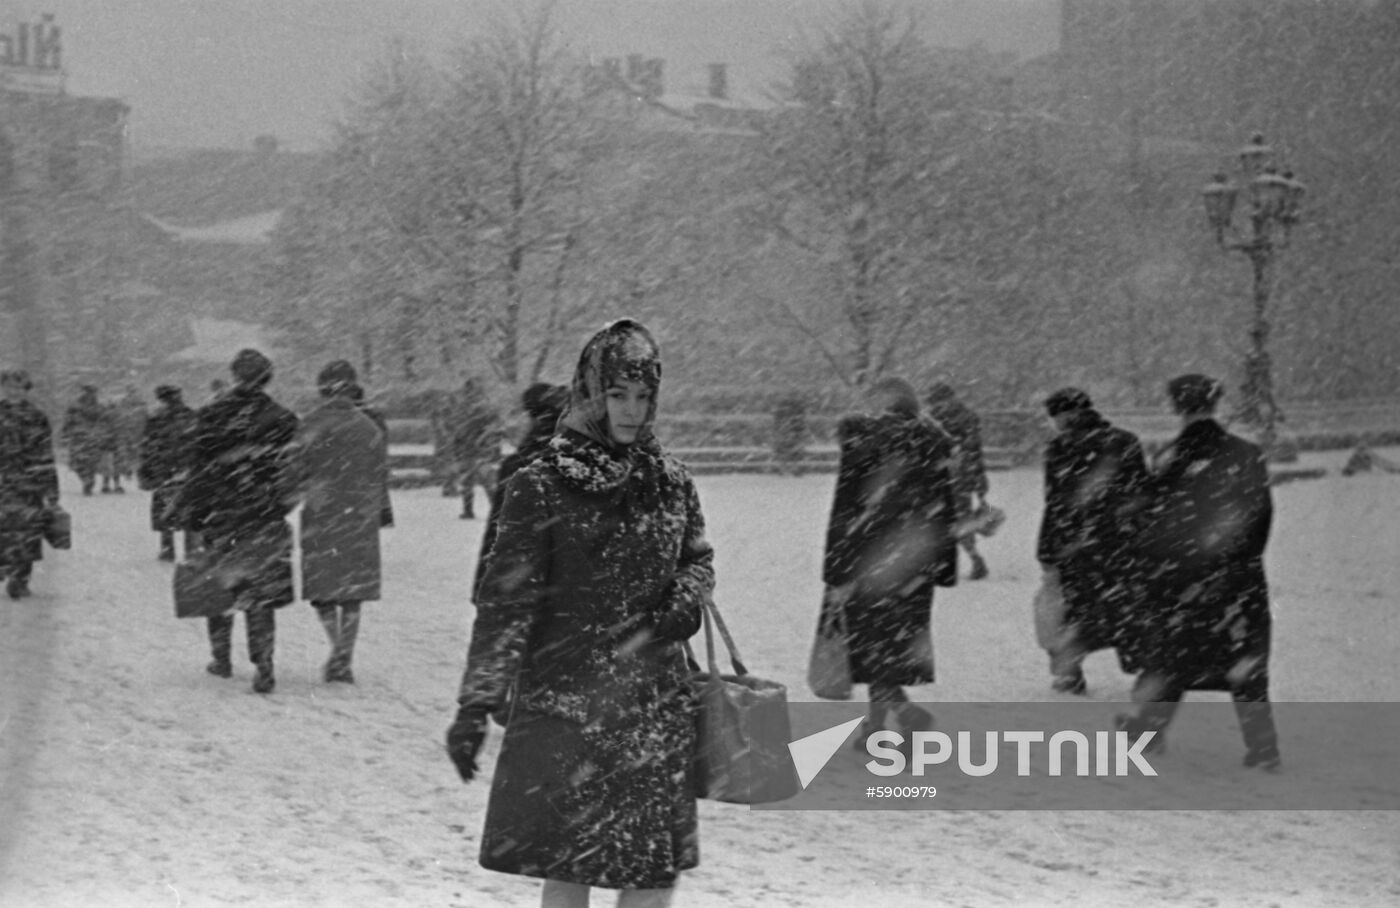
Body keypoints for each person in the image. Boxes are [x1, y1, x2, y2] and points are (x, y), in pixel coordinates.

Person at [445, 319, 713, 908]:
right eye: (619, 395)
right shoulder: (538, 486)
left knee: (649, 872)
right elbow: (506, 602)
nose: (633, 412)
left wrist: (685, 597)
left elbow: (697, 560)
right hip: (569, 703)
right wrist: (476, 701)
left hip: (652, 704)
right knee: (571, 868)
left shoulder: (671, 483)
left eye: (644, 397)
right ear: (591, 394)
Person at [1118, 374, 1280, 770]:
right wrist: (1237, 565)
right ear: (1216, 403)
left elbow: (1153, 523)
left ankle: (1146, 735)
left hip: (1181, 579)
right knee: (1246, 666)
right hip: (1238, 581)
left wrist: (1157, 570)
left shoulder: (1169, 458)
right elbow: (1260, 517)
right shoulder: (1247, 454)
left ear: (1176, 407)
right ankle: (1263, 747)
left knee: (1171, 659)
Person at [822, 376, 957, 747]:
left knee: (872, 649)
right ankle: (876, 727)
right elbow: (945, 507)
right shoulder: (933, 444)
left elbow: (846, 508)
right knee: (892, 649)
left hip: (870, 561)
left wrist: (835, 568)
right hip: (916, 563)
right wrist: (943, 564)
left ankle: (906, 716)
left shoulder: (863, 442)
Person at [176, 349, 299, 693]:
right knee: (260, 591)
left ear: (234, 375)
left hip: (222, 514)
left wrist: (197, 514)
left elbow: (198, 470)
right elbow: (293, 472)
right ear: (268, 377)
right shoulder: (283, 419)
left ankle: (222, 658)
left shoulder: (212, 417)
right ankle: (264, 662)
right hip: (263, 516)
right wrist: (278, 505)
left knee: (220, 584)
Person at [1035, 387, 1149, 694]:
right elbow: (1141, 495)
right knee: (1126, 608)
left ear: (1067, 414)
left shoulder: (1060, 448)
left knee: (1073, 610)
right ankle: (1143, 669)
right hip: (1119, 542)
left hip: (1077, 545)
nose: (1054, 424)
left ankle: (1070, 672)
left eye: (1055, 416)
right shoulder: (1125, 441)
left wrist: (1047, 549)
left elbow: (1056, 502)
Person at [286, 360, 391, 684]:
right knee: (353, 589)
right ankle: (345, 650)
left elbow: (295, 471)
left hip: (322, 513)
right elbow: (380, 473)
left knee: (324, 589)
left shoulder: (309, 426)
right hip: (359, 514)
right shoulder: (369, 428)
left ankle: (338, 649)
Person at [473, 381, 568, 598]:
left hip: (523, 576)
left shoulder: (522, 462)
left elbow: (499, 528)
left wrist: (484, 581)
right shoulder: (583, 457)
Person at [0, 370, 59, 599]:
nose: (13, 391)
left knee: (29, 531)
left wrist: (51, 490)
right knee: (5, 529)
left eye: (18, 387)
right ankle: (8, 568)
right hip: (3, 481)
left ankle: (21, 577)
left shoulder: (36, 416)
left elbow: (45, 452)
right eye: (9, 387)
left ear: (26, 390)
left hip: (29, 482)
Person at [925, 381, 990, 579]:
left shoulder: (956, 420)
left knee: (958, 521)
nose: (937, 406)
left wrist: (978, 482)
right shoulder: (938, 419)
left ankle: (973, 559)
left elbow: (972, 450)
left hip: (956, 479)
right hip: (948, 478)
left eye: (939, 401)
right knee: (947, 522)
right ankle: (962, 560)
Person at [138, 385, 197, 561]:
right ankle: (191, 550)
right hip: (187, 468)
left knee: (165, 509)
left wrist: (147, 469)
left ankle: (167, 548)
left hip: (164, 470)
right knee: (189, 509)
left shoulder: (156, 419)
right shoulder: (190, 415)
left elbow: (148, 446)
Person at [446, 377, 503, 519]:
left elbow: (458, 431)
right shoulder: (484, 408)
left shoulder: (469, 409)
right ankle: (494, 510)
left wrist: (458, 448)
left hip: (472, 450)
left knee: (474, 482)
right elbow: (493, 430)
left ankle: (471, 510)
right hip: (478, 450)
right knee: (482, 482)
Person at [61, 384, 115, 495]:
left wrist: (106, 435)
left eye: (92, 393)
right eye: (88, 392)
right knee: (80, 463)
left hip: (90, 439)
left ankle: (88, 480)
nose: (90, 395)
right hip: (81, 438)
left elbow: (106, 422)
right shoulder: (75, 407)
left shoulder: (98, 408)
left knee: (88, 462)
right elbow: (68, 422)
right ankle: (87, 480)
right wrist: (65, 433)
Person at [111, 385, 147, 493]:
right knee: (120, 459)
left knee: (128, 459)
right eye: (131, 392)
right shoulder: (123, 406)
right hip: (125, 437)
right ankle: (118, 482)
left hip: (133, 437)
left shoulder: (141, 407)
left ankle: (126, 475)